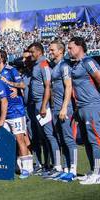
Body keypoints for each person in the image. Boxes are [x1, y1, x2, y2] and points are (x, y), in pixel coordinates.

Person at [68, 37, 100, 185]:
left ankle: (98, 173)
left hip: (92, 106)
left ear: (80, 46)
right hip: (81, 108)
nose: (69, 50)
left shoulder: (89, 62)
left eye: (70, 48)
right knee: (87, 141)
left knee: (95, 140)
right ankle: (93, 169)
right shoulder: (76, 65)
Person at [28, 42, 61, 174]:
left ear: (39, 52)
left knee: (49, 135)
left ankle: (57, 166)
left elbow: (48, 85)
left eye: (32, 52)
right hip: (37, 104)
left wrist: (43, 106)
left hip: (43, 104)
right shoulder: (37, 65)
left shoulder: (43, 64)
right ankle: (48, 165)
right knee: (43, 136)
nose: (30, 55)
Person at [47, 40, 77, 182]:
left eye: (52, 50)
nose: (50, 52)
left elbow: (68, 86)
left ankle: (74, 170)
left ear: (61, 51)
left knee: (68, 139)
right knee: (60, 139)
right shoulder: (55, 67)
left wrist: (64, 107)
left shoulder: (64, 65)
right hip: (55, 108)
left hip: (64, 108)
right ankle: (65, 168)